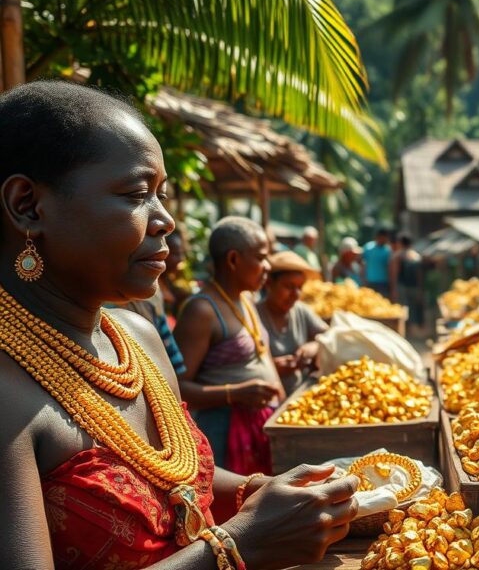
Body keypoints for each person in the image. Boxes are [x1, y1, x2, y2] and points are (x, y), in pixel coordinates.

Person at [0, 81, 357, 569]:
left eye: (161, 195)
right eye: (136, 194)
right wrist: (235, 548)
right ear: (28, 205)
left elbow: (175, 486)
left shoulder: (137, 337)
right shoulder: (7, 394)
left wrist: (264, 493)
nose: (165, 219)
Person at [176, 216, 286, 475]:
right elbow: (175, 388)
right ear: (234, 260)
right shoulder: (202, 310)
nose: (268, 266)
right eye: (260, 258)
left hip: (260, 427)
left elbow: (257, 355)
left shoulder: (246, 298)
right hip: (223, 433)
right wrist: (234, 393)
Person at [256, 251, 328, 395]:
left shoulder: (301, 310)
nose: (296, 294)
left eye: (300, 288)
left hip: (300, 393)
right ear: (269, 283)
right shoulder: (254, 315)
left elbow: (329, 334)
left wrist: (314, 345)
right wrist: (271, 367)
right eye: (289, 286)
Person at [158, 229, 195, 323]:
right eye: (176, 253)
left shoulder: (170, 282)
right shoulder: (146, 289)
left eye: (182, 253)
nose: (181, 259)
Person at [391, 233, 425, 334]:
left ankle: (404, 332)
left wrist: (393, 289)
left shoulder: (397, 256)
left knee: (402, 310)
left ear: (400, 243)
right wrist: (420, 289)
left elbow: (394, 274)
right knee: (413, 310)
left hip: (402, 287)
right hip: (414, 287)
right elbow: (420, 275)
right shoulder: (416, 256)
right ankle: (412, 332)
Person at [363, 228, 392, 298]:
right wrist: (363, 278)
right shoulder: (368, 247)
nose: (384, 240)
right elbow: (362, 263)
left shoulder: (388, 250)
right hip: (370, 282)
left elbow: (390, 268)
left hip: (383, 283)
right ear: (378, 237)